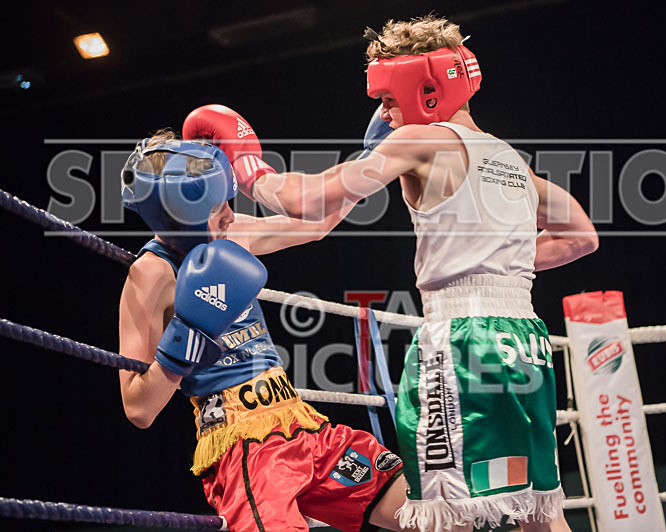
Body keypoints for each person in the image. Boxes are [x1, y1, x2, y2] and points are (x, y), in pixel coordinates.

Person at [191, 16, 597, 532]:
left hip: (463, 345)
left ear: (425, 89)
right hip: (527, 346)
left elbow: (310, 200)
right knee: (536, 511)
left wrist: (252, 171)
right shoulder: (510, 159)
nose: (384, 113)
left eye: (387, 99)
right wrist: (497, 256)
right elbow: (584, 236)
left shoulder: (420, 142)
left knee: (446, 516)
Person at [117, 121, 412, 532]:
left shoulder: (230, 237)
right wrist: (188, 335)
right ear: (180, 217)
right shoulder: (150, 275)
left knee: (423, 511)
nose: (230, 214)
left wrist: (373, 159)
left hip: (303, 425)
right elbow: (138, 407)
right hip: (242, 449)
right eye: (218, 207)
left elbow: (316, 224)